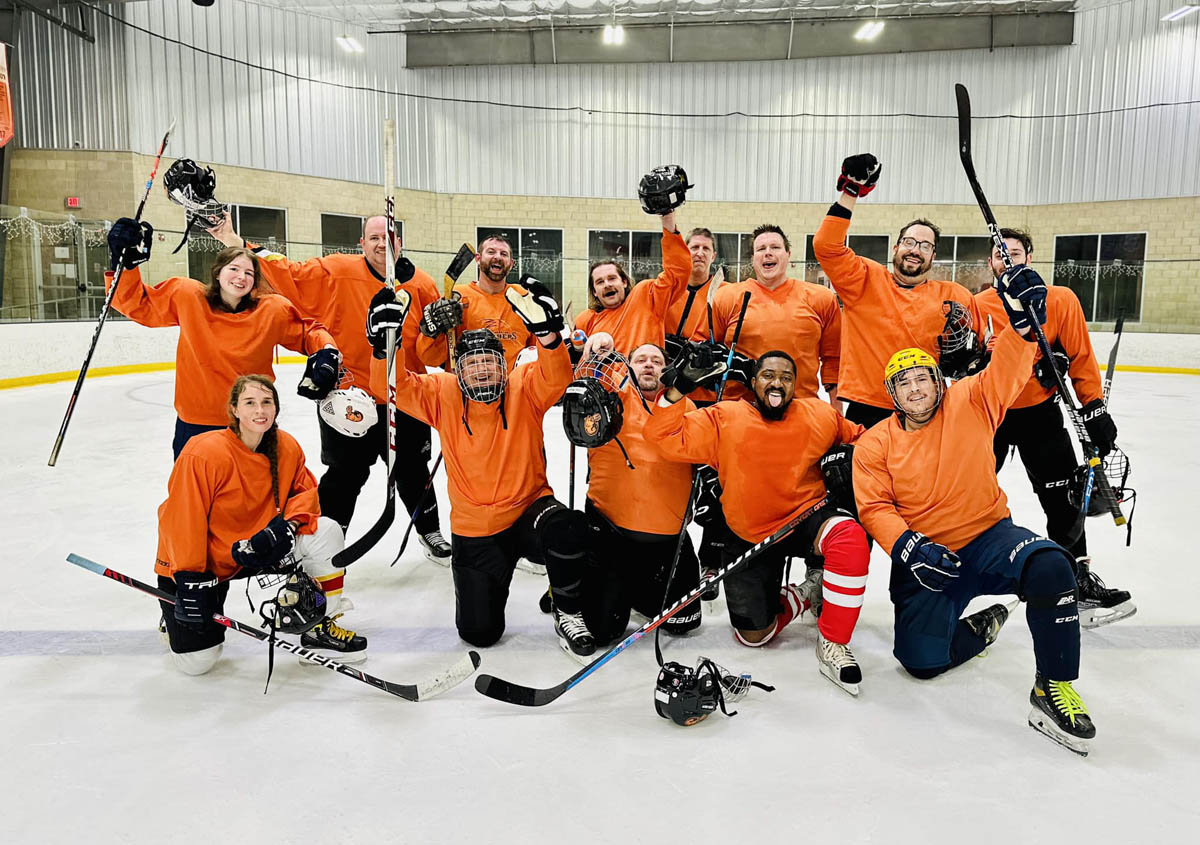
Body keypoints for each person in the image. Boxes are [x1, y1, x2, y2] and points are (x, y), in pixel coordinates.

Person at [852, 264, 1098, 754]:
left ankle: (1053, 687)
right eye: (904, 384)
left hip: (990, 539)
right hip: (927, 561)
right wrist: (908, 546)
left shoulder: (970, 401)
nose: (917, 388)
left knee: (1051, 565)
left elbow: (1006, 368)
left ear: (937, 381)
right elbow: (875, 506)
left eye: (923, 378)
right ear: (892, 395)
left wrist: (1022, 325)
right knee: (920, 662)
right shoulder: (874, 443)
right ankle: (979, 627)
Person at [367, 278, 619, 659]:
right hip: (476, 530)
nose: (482, 371)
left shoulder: (523, 387)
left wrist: (549, 339)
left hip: (530, 511)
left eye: (489, 361)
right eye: (472, 364)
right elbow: (389, 386)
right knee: (479, 633)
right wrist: (383, 344)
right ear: (459, 370)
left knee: (569, 528)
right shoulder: (442, 393)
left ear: (503, 364)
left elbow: (557, 377)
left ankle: (568, 610)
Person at [205, 212, 451, 564]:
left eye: (389, 236)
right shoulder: (335, 270)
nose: (383, 243)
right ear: (361, 243)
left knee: (413, 470)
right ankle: (327, 540)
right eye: (374, 237)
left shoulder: (422, 284)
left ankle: (430, 531)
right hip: (349, 399)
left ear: (400, 243)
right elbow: (285, 271)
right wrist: (232, 238)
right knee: (344, 476)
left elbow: (433, 349)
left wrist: (441, 339)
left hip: (405, 397)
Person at [645, 348, 871, 696]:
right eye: (768, 375)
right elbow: (663, 438)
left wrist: (852, 458)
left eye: (786, 376)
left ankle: (834, 642)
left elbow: (864, 440)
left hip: (806, 518)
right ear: (753, 382)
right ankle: (807, 592)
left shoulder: (818, 414)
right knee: (754, 637)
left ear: (796, 385)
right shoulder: (726, 417)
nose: (777, 382)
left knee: (849, 538)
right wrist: (677, 392)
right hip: (749, 532)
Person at [155, 375, 366, 676]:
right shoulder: (203, 453)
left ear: (276, 408)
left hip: (256, 553)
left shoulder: (286, 446)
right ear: (234, 410)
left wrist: (287, 529)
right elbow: (181, 521)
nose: (260, 410)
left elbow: (306, 494)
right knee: (199, 663)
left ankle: (319, 627)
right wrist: (189, 577)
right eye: (250, 402)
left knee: (327, 531)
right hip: (205, 564)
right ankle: (170, 620)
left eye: (267, 402)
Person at [977, 228, 1134, 628]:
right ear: (991, 262)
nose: (1007, 260)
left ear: (1029, 256)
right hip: (988, 415)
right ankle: (963, 572)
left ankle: (1075, 578)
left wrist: (1093, 407)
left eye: (1014, 252)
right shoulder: (978, 305)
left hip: (1041, 415)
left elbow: (1080, 357)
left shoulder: (1060, 299)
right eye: (1000, 254)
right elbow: (965, 361)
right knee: (969, 494)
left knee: (1064, 499)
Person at [105, 218, 339, 460]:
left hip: (252, 424)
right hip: (196, 425)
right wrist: (125, 264)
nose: (241, 277)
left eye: (249, 273)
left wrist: (327, 350)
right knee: (196, 494)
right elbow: (137, 304)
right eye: (234, 269)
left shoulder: (272, 310)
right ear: (218, 273)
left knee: (255, 493)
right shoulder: (187, 297)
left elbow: (308, 332)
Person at [813, 153, 985, 428]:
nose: (916, 250)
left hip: (927, 408)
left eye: (925, 246)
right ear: (896, 248)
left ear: (933, 257)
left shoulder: (954, 295)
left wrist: (975, 362)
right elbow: (826, 246)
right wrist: (851, 191)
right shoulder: (864, 280)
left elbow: (986, 341)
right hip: (868, 407)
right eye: (909, 241)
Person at [576, 343, 702, 636]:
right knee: (604, 630)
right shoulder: (609, 400)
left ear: (667, 369)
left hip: (666, 537)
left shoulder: (687, 407)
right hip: (613, 532)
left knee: (684, 622)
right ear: (628, 367)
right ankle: (586, 584)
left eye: (656, 361)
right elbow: (583, 388)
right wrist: (596, 348)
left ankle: (629, 588)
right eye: (641, 359)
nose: (649, 365)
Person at [692, 224, 841, 407]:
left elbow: (833, 359)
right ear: (753, 259)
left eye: (775, 247)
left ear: (788, 254)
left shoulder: (821, 298)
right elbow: (700, 347)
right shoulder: (726, 297)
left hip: (801, 411)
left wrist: (836, 411)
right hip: (740, 411)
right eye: (761, 249)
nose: (767, 253)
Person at [575, 210, 690, 355]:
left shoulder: (646, 298)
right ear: (594, 292)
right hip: (604, 378)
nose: (607, 285)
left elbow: (678, 271)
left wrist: (667, 217)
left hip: (644, 377)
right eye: (599, 282)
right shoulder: (586, 320)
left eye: (612, 278)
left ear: (624, 282)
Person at [416, 234, 537, 372]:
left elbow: (536, 353)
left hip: (514, 390)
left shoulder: (523, 298)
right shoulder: (455, 298)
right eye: (491, 252)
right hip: (463, 390)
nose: (497, 257)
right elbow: (429, 358)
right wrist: (433, 329)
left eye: (503, 254)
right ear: (478, 259)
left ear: (511, 264)